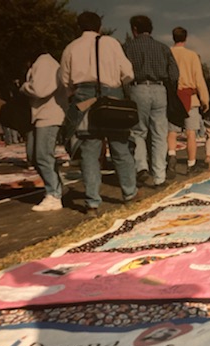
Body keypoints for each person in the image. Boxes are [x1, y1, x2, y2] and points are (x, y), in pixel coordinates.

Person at [60, 11, 137, 217]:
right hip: (111, 98)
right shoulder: (111, 43)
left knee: (90, 153)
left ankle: (92, 202)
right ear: (99, 27)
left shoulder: (71, 48)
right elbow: (128, 73)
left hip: (84, 100)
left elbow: (65, 81)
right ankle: (129, 194)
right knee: (120, 148)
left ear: (78, 27)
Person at [124, 15, 179, 188]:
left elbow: (122, 73)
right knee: (159, 133)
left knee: (138, 131)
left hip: (138, 88)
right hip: (159, 88)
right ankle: (159, 176)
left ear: (134, 29)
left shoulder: (127, 47)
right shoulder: (162, 48)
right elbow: (175, 74)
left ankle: (141, 167)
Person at [20, 51, 67, 211]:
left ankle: (53, 194)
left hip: (49, 116)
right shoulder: (44, 62)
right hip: (42, 115)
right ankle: (56, 187)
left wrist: (24, 87)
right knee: (34, 155)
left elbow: (40, 89)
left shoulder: (45, 62)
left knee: (42, 155)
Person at [167, 26, 209, 178]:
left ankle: (171, 155)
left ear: (173, 37)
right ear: (186, 38)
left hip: (173, 97)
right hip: (190, 97)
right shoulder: (192, 55)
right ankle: (191, 164)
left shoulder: (168, 53)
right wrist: (205, 99)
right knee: (191, 133)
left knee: (171, 131)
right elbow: (199, 79)